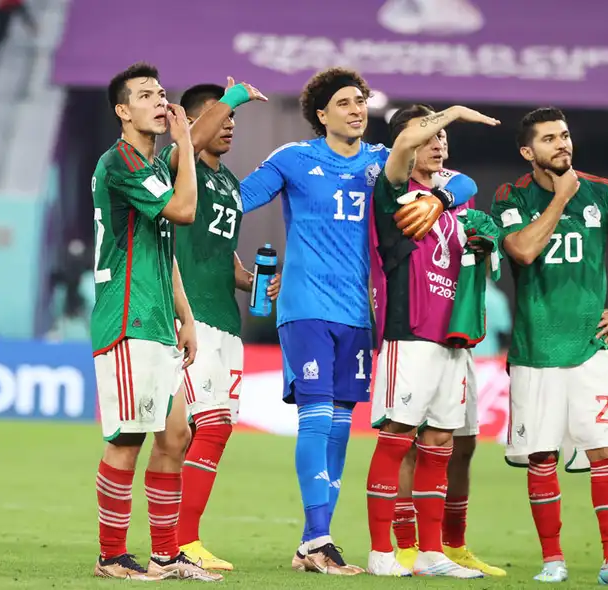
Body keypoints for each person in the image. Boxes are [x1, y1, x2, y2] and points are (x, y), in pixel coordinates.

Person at [238, 68, 477, 575]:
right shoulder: (293, 158)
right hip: (305, 306)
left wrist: (441, 195)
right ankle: (319, 538)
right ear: (321, 114)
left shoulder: (381, 161)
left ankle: (313, 542)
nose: (357, 109)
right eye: (345, 102)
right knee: (316, 415)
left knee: (341, 425)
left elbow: (461, 180)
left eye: (361, 101)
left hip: (358, 313)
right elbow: (234, 201)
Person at [492, 107, 608, 586]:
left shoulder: (603, 192)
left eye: (564, 135)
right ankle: (553, 561)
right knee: (541, 458)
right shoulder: (512, 196)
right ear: (528, 152)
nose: (562, 144)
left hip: (589, 349)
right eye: (549, 138)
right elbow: (523, 250)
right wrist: (562, 198)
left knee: (604, 452)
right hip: (535, 352)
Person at [89, 62, 220, 582]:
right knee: (129, 438)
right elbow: (184, 211)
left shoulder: (153, 166)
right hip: (130, 316)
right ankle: (111, 556)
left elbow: (166, 252)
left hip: (160, 318)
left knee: (175, 436)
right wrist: (186, 141)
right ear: (123, 111)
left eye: (162, 93)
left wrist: (186, 316)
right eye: (146, 95)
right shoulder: (121, 161)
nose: (160, 101)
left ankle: (165, 555)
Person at [364, 103, 499, 578]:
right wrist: (454, 111)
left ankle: (431, 552)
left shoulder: (452, 200)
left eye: (443, 137)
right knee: (398, 434)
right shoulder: (393, 192)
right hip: (410, 331)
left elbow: (467, 190)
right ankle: (381, 551)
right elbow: (404, 147)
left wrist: (483, 243)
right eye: (428, 137)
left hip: (452, 337)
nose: (438, 143)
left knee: (441, 439)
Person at [155, 81, 274, 570]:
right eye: (220, 116)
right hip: (191, 318)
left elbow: (224, 254)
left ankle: (181, 541)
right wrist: (235, 96)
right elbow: (190, 142)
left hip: (227, 320)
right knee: (198, 428)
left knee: (213, 429)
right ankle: (182, 541)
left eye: (232, 118)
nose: (229, 124)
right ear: (190, 123)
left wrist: (254, 282)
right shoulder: (177, 168)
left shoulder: (228, 182)